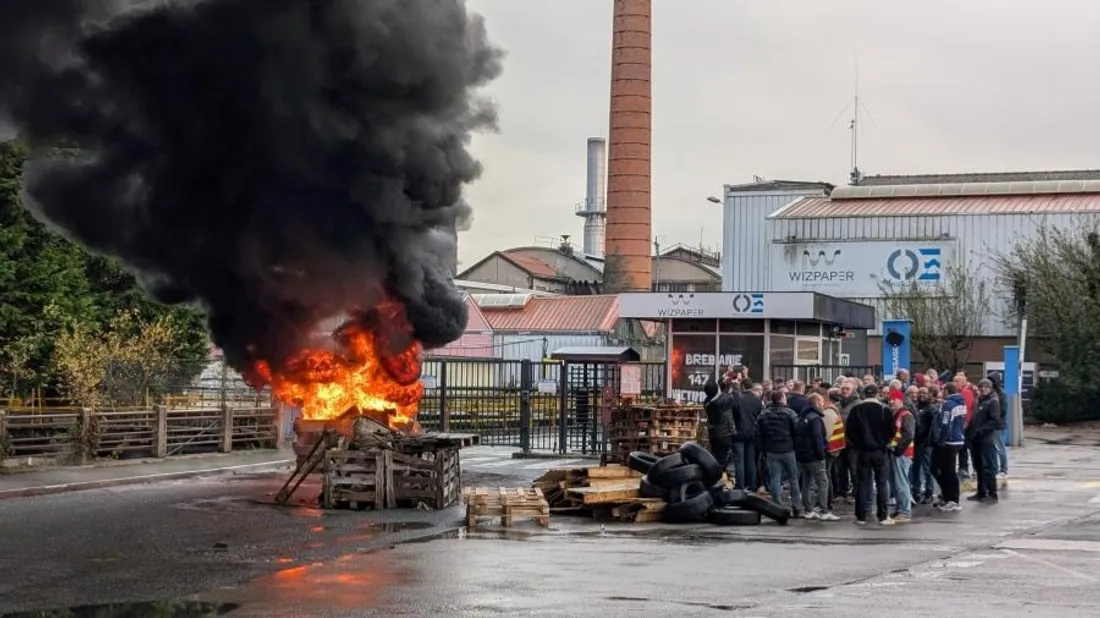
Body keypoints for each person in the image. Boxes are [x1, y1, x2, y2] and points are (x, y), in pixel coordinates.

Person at [845, 384, 896, 525]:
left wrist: (858, 443)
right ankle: (883, 515)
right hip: (880, 450)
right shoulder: (884, 410)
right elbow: (892, 431)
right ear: (877, 394)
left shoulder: (856, 410)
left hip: (863, 451)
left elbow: (849, 431)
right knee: (882, 483)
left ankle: (861, 516)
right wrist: (884, 440)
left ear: (863, 394)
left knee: (862, 483)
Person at [757, 389, 803, 516]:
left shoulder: (763, 414)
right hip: (788, 449)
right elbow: (798, 430)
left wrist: (763, 449)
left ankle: (777, 506)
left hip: (771, 450)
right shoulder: (790, 413)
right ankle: (796, 506)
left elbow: (758, 434)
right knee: (793, 478)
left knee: (775, 478)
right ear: (782, 398)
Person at [795, 393, 838, 520]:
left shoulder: (802, 417)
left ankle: (808, 509)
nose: (823, 404)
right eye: (821, 402)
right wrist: (821, 454)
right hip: (814, 456)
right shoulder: (816, 418)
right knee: (822, 482)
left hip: (803, 455)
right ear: (817, 402)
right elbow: (817, 438)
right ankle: (824, 511)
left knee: (806, 483)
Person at [931, 383, 967, 511]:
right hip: (958, 439)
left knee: (947, 471)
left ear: (946, 391)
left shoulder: (947, 404)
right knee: (946, 470)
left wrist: (941, 440)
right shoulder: (961, 403)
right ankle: (948, 497)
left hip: (949, 442)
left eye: (942, 390)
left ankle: (952, 499)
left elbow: (945, 424)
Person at [966, 378, 1003, 503]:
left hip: (986, 439)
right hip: (976, 439)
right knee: (978, 466)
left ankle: (992, 493)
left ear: (990, 388)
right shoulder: (979, 400)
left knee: (988, 466)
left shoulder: (993, 401)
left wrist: (980, 431)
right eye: (981, 386)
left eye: (986, 386)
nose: (983, 389)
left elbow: (994, 421)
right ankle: (981, 491)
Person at [887, 391, 916, 523]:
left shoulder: (906, 415)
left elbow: (908, 434)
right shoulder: (897, 414)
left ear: (901, 400)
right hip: (897, 453)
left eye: (894, 399)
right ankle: (900, 510)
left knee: (901, 483)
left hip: (902, 454)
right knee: (896, 483)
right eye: (890, 399)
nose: (891, 402)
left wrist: (898, 450)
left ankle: (904, 512)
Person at [911, 386, 939, 504]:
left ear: (929, 394)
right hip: (916, 442)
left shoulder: (932, 408)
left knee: (927, 469)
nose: (921, 395)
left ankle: (929, 492)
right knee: (915, 468)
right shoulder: (916, 407)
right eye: (919, 393)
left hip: (926, 443)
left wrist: (929, 441)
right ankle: (916, 491)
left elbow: (933, 427)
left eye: (924, 393)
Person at [731, 381, 761, 491]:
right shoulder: (757, 400)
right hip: (752, 433)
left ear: (742, 386)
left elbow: (732, 412)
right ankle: (752, 484)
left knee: (739, 461)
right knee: (750, 460)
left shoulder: (738, 398)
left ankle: (740, 485)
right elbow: (759, 416)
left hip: (738, 433)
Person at [703, 379, 735, 472]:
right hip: (724, 434)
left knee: (715, 456)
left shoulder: (707, 402)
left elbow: (721, 394)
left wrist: (723, 382)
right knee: (722, 459)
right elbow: (730, 397)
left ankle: (715, 474)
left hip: (714, 434)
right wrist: (735, 385)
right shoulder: (721, 403)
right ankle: (718, 476)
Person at [953, 373, 977, 482]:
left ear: (963, 382)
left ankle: (964, 468)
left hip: (964, 425)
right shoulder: (957, 393)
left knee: (963, 448)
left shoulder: (966, 393)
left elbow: (966, 409)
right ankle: (962, 468)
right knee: (960, 447)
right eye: (954, 381)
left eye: (957, 381)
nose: (955, 383)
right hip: (958, 424)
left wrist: (965, 423)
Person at [988, 371, 1009, 479]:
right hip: (992, 424)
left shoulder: (1001, 394)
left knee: (999, 448)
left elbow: (1004, 410)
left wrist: (997, 420)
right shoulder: (992, 393)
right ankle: (995, 468)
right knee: (993, 448)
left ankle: (1003, 470)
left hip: (998, 425)